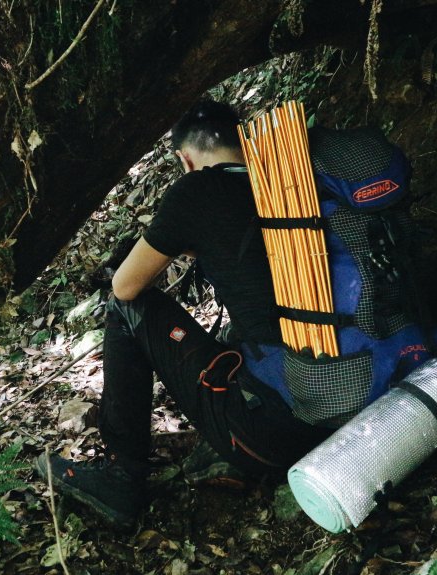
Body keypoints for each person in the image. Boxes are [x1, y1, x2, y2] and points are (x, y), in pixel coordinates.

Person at [36, 99, 336, 529]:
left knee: (125, 307)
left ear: (184, 158)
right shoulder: (291, 184)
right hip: (361, 395)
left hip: (278, 434)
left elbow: (125, 286)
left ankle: (123, 475)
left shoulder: (197, 191)